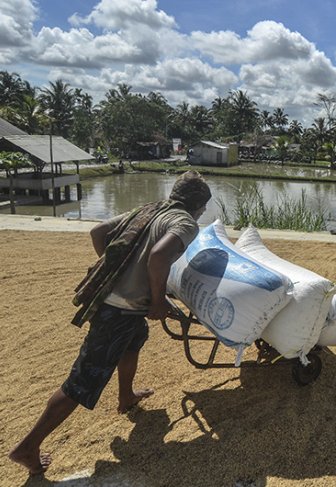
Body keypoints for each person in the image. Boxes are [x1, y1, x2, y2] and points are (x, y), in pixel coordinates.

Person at [8, 170, 212, 476]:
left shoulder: (150, 209)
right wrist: (157, 301)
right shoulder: (185, 222)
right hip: (119, 311)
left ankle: (125, 396)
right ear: (198, 204)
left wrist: (118, 272)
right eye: (204, 207)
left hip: (116, 304)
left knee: (135, 338)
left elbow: (98, 232)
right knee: (82, 381)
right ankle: (27, 447)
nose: (203, 213)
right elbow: (159, 257)